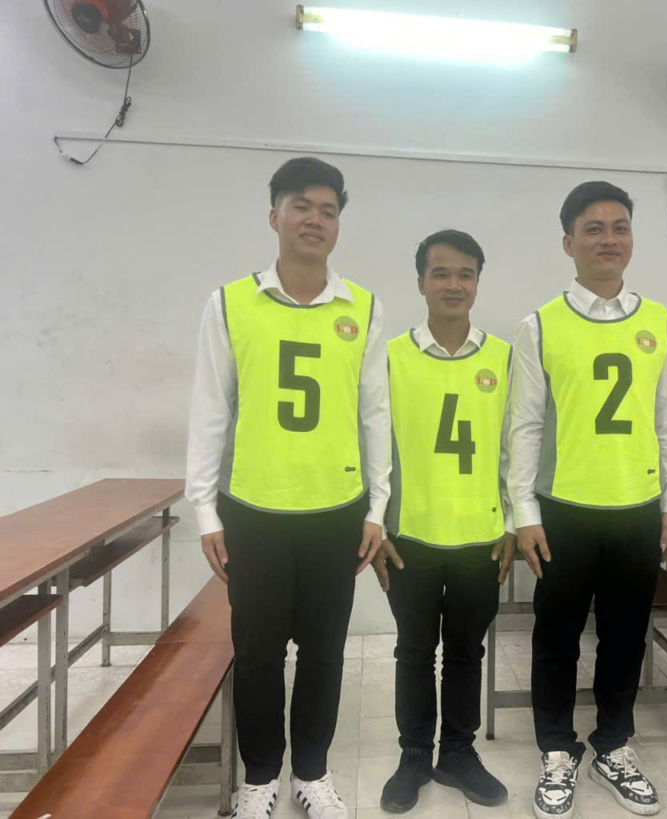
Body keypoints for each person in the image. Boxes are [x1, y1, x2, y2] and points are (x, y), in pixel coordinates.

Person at [185, 157, 390, 819]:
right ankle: (258, 776)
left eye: (328, 210)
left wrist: (378, 506)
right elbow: (210, 409)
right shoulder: (230, 302)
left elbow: (375, 413)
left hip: (336, 511)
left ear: (339, 224)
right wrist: (204, 509)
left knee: (325, 652)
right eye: (301, 205)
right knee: (258, 653)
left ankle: (313, 771)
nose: (314, 219)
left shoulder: (363, 307)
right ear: (274, 214)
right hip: (255, 510)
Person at [508, 181, 667, 818]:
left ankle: (614, 743)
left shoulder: (660, 320)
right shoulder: (540, 325)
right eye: (594, 228)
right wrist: (524, 512)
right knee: (556, 637)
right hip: (563, 510)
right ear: (569, 243)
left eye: (620, 227)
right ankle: (557, 750)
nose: (609, 239)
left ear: (631, 238)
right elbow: (525, 426)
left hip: (638, 508)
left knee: (626, 636)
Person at [371, 229, 516, 813]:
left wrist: (513, 523)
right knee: (413, 650)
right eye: (441, 273)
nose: (453, 284)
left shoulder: (504, 357)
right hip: (410, 536)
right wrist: (376, 525)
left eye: (465, 274)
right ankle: (413, 756)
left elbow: (516, 449)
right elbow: (373, 448)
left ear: (478, 282)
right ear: (420, 283)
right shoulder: (390, 357)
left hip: (482, 538)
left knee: (466, 652)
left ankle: (458, 751)